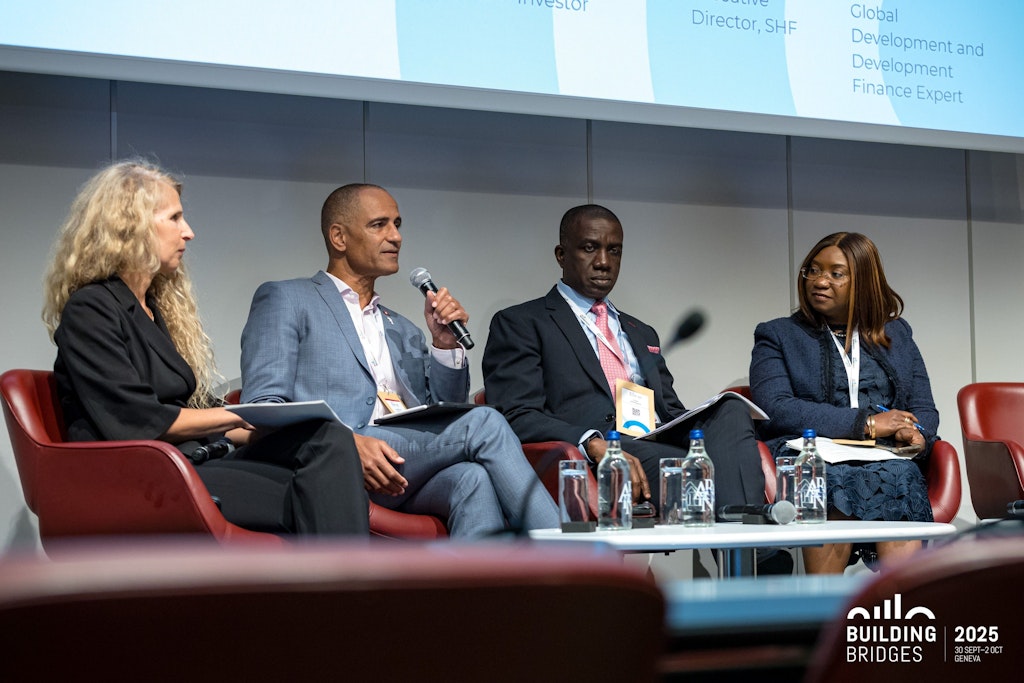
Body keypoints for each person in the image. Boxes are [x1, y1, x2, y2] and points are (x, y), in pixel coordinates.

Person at [43, 160, 369, 537]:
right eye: (175, 218)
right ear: (130, 226)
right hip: (143, 477)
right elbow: (139, 420)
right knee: (324, 494)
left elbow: (191, 409)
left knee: (328, 440)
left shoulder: (151, 308)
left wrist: (262, 428)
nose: (189, 233)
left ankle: (340, 591)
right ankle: (352, 594)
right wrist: (237, 415)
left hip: (193, 459)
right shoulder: (91, 309)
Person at [240, 183, 559, 538]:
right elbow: (263, 407)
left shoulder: (403, 328)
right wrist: (343, 442)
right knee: (485, 422)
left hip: (402, 467)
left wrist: (444, 345)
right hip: (332, 461)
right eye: (379, 225)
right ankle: (572, 553)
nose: (396, 237)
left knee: (473, 478)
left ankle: (475, 593)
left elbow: (442, 412)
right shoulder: (288, 298)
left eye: (398, 224)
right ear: (339, 237)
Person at [482, 204, 767, 518]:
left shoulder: (640, 331)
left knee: (730, 409)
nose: (603, 262)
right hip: (602, 449)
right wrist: (590, 442)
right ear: (561, 255)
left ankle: (749, 539)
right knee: (701, 475)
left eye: (613, 251)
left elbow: (669, 409)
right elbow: (515, 414)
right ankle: (759, 554)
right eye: (590, 248)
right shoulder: (523, 323)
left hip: (656, 437)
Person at [750, 232, 936, 574]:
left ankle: (899, 612)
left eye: (836, 274)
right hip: (808, 454)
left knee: (900, 472)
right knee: (827, 477)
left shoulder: (897, 334)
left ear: (863, 281)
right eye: (813, 270)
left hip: (884, 456)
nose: (820, 281)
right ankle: (824, 612)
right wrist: (865, 423)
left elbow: (923, 407)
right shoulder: (777, 335)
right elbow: (774, 408)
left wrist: (918, 435)